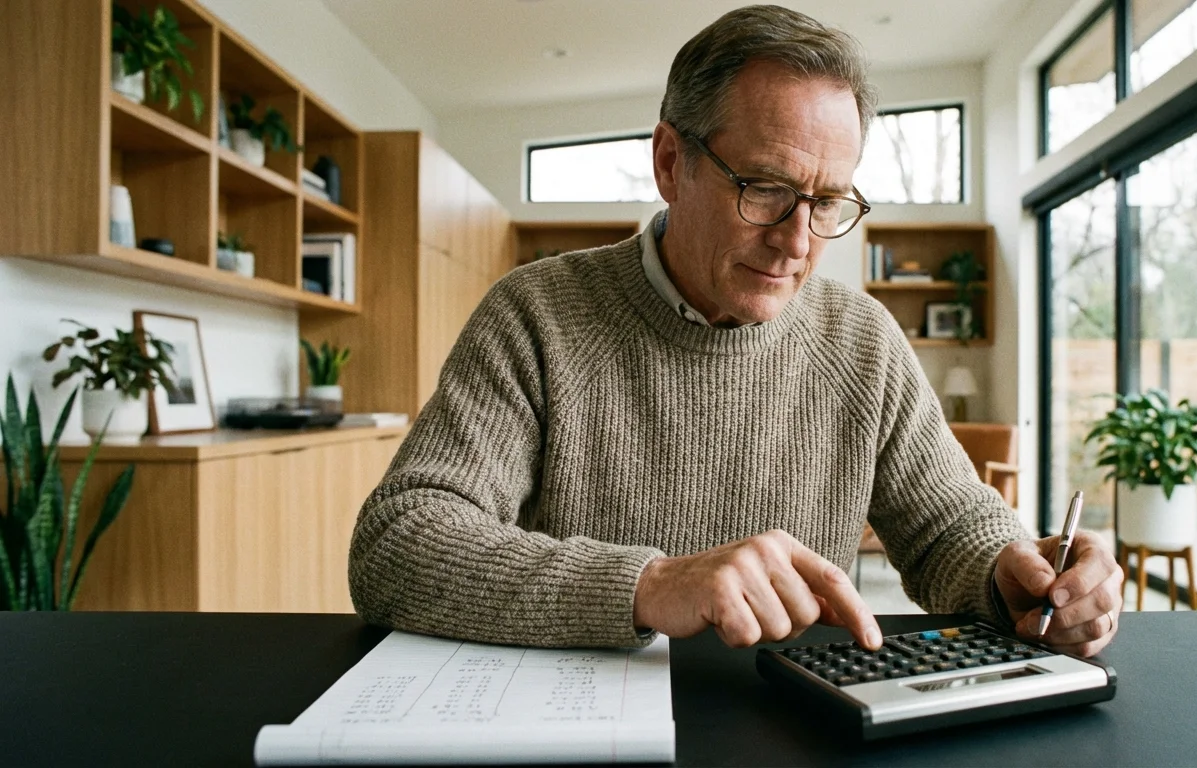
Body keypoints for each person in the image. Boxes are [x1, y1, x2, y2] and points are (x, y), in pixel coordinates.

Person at [349, 5, 1122, 657]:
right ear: (669, 161)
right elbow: (399, 543)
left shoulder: (861, 340)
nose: (797, 241)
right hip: (579, 726)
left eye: (827, 202)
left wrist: (1015, 574)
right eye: (766, 189)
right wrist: (648, 586)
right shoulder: (537, 314)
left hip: (793, 722)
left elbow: (948, 522)